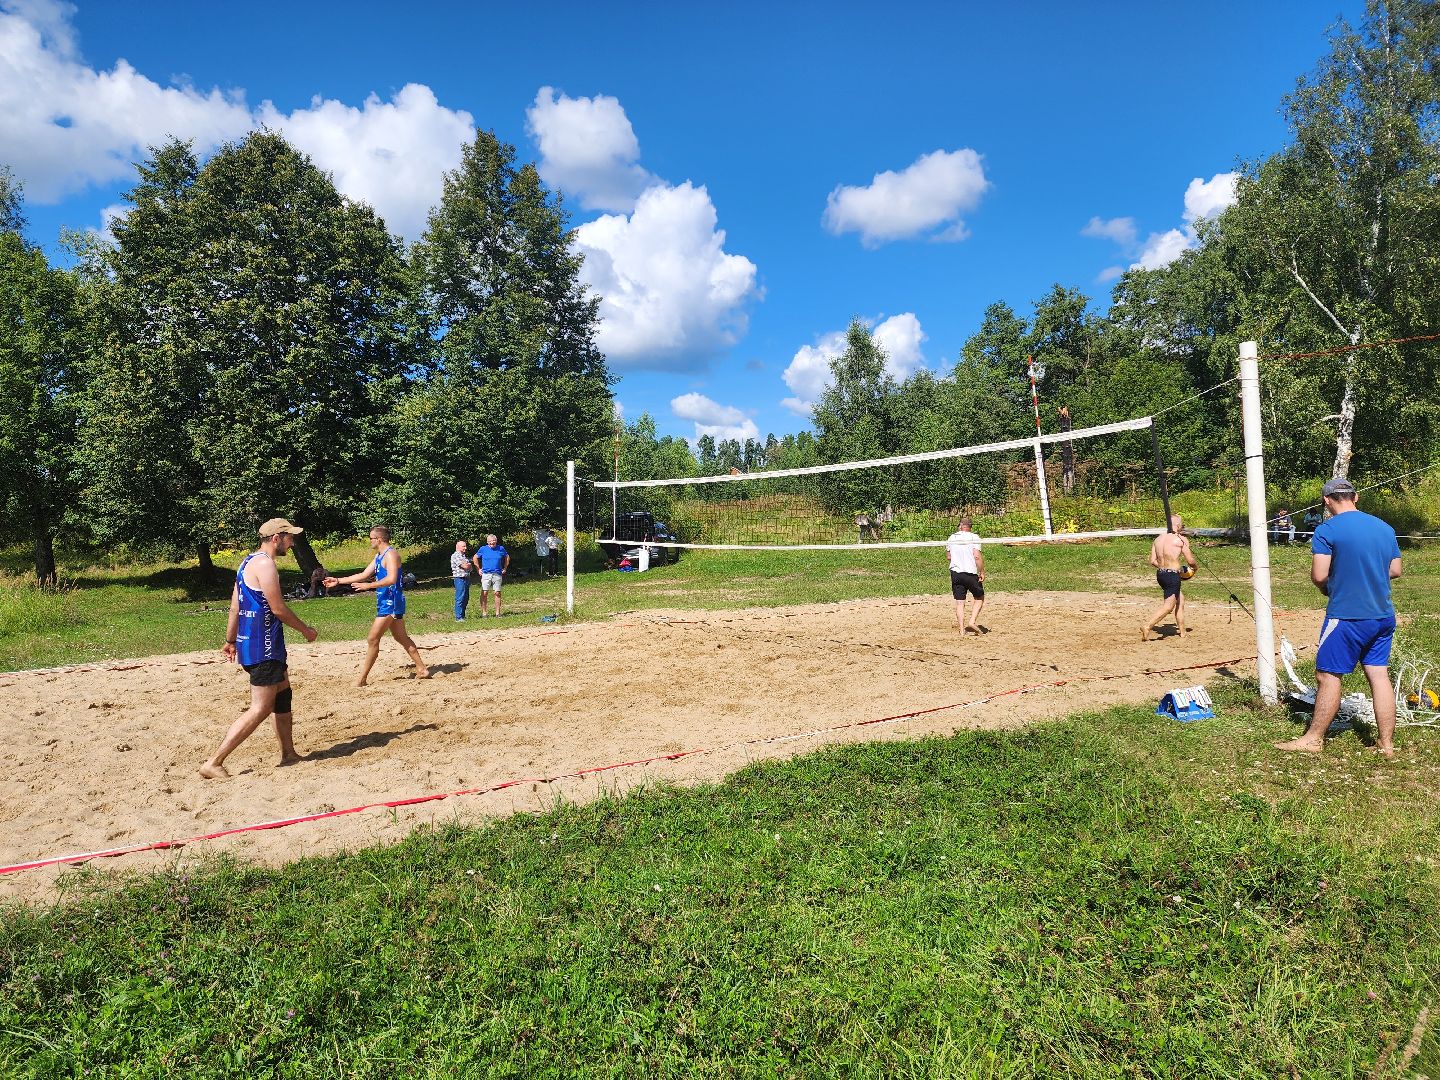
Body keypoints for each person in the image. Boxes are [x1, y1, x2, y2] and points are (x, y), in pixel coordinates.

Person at [1276, 477, 1402, 757]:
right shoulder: (1384, 527)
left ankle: (1313, 739)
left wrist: (1329, 586)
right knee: (1378, 675)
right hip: (1382, 615)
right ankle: (1386, 744)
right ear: (1355, 498)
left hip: (1347, 615)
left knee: (1327, 675)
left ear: (1327, 501)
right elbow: (1395, 570)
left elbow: (1319, 575)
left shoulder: (1327, 529)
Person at [201, 518, 319, 779]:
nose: (292, 542)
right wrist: (305, 630)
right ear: (276, 538)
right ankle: (214, 761)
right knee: (261, 707)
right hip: (263, 645)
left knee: (283, 693)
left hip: (255, 643)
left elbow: (235, 605)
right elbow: (278, 608)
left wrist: (230, 639)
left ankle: (288, 753)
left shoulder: (247, 562)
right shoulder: (266, 565)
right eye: (289, 537)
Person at [324, 525, 430, 686]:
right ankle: (422, 669)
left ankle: (362, 678)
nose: (370, 541)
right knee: (400, 637)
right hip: (385, 601)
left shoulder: (391, 555)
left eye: (371, 538)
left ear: (379, 539)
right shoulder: (379, 556)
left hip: (391, 602)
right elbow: (363, 574)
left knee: (373, 638)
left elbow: (392, 579)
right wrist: (338, 581)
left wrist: (368, 586)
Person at [1140, 514, 1197, 641]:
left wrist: (1165, 568)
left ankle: (1182, 632)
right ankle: (1147, 625)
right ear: (1178, 525)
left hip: (1161, 574)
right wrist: (1194, 569)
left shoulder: (1158, 539)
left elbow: (1153, 561)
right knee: (1168, 606)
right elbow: (1190, 560)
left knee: (1180, 600)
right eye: (1181, 525)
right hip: (1172, 576)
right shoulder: (1181, 540)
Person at [945, 516, 986, 634]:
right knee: (979, 597)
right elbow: (977, 556)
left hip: (956, 573)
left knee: (959, 602)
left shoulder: (952, 537)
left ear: (960, 526)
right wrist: (982, 572)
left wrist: (959, 557)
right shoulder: (974, 537)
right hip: (970, 573)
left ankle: (962, 630)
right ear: (970, 527)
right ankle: (972, 622)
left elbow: (948, 557)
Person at [473, 533, 510, 616]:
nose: (492, 543)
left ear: (496, 541)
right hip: (486, 574)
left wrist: (505, 568)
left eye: (493, 541)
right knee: (484, 592)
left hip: (497, 573)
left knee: (497, 593)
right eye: (490, 541)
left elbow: (507, 557)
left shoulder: (501, 548)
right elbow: (475, 557)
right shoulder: (483, 549)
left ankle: (498, 613)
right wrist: (478, 569)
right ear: (487, 542)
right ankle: (484, 613)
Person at [450, 539, 472, 620]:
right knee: (460, 597)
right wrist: (467, 565)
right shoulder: (455, 556)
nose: (465, 548)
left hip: (466, 578)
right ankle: (458, 617)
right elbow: (466, 566)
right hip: (459, 579)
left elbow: (470, 568)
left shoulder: (463, 556)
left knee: (466, 597)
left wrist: (468, 565)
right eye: (464, 546)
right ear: (458, 547)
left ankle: (462, 615)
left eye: (465, 546)